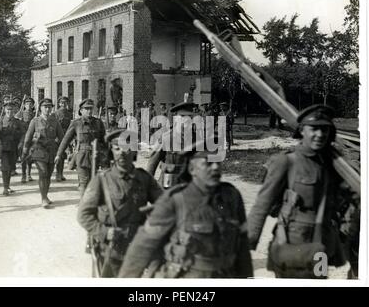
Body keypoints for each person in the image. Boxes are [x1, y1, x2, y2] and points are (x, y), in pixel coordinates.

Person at [248, 104, 356, 278]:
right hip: (292, 242)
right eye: (314, 128)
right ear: (302, 131)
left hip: (322, 243)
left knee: (318, 279)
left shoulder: (333, 165)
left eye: (324, 129)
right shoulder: (286, 161)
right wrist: (247, 243)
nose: (320, 134)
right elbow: (262, 205)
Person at [118, 138, 253, 278]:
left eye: (218, 162)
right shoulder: (174, 200)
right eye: (208, 163)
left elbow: (242, 246)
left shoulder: (232, 197)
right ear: (192, 169)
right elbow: (141, 248)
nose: (215, 167)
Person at [77, 129, 163, 277]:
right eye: (117, 148)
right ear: (112, 152)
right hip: (110, 250)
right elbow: (83, 215)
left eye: (126, 147)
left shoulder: (144, 179)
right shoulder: (102, 180)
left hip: (136, 248)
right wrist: (104, 232)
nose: (122, 152)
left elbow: (165, 205)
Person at [55, 98, 106, 198]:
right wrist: (58, 154)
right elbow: (66, 140)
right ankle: (84, 204)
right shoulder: (76, 123)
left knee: (92, 181)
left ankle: (90, 202)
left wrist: (106, 158)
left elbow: (103, 141)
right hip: (81, 156)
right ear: (81, 110)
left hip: (95, 156)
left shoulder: (98, 123)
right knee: (84, 181)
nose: (89, 111)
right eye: (86, 109)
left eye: (91, 108)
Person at [22, 98, 64, 208]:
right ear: (40, 108)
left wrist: (62, 151)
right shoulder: (34, 121)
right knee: (43, 172)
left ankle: (46, 195)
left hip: (51, 151)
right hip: (39, 150)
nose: (47, 109)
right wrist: (25, 151)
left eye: (49, 107)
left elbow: (62, 137)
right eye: (45, 107)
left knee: (49, 174)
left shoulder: (55, 122)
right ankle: (43, 198)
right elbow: (28, 137)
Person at [147, 101, 198, 189]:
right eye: (182, 116)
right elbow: (152, 164)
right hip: (168, 186)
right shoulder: (166, 138)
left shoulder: (197, 140)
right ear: (176, 119)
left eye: (189, 116)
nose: (186, 120)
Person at [0, 101, 25, 195]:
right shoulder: (0, 121)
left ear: (14, 110)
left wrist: (21, 143)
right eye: (8, 109)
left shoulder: (18, 122)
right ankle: (5, 188)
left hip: (14, 148)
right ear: (4, 110)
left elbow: (23, 134)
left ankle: (7, 186)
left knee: (11, 167)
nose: (10, 111)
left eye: (11, 109)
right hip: (3, 148)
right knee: (5, 167)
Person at [15, 97, 36, 183]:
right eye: (27, 104)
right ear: (24, 105)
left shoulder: (35, 115)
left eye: (30, 104)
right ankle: (23, 175)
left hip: (32, 137)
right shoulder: (20, 114)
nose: (29, 105)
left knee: (30, 156)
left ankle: (29, 174)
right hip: (23, 137)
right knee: (23, 155)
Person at [53, 96, 73, 182]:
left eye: (65, 103)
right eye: (62, 103)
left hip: (66, 136)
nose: (63, 104)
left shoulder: (69, 114)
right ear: (59, 104)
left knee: (63, 156)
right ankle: (58, 174)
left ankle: (61, 173)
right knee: (59, 155)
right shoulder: (55, 113)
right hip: (58, 137)